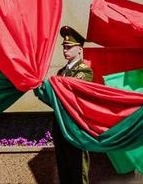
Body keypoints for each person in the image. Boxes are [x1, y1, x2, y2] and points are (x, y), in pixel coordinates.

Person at [53, 25, 94, 184]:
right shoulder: (61, 72)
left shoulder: (84, 71)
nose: (65, 50)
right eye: (64, 47)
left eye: (69, 47)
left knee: (78, 168)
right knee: (64, 168)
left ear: (79, 49)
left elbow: (75, 94)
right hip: (61, 124)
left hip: (75, 125)